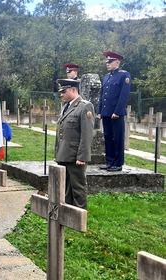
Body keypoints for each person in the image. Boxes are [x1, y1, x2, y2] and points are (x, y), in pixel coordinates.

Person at [55, 79, 94, 209]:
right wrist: (57, 153)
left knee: (78, 186)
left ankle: (80, 214)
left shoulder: (85, 106)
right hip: (64, 153)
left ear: (73, 90)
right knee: (66, 186)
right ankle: (69, 211)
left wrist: (82, 156)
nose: (61, 95)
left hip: (75, 154)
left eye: (64, 91)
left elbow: (87, 134)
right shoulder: (66, 107)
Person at [97, 51, 131, 172]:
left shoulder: (124, 75)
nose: (108, 64)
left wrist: (117, 111)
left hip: (116, 113)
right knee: (107, 137)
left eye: (110, 62)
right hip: (106, 113)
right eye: (107, 62)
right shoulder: (106, 77)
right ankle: (110, 161)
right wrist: (100, 110)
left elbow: (123, 96)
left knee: (117, 137)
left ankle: (118, 163)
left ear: (117, 61)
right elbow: (102, 96)